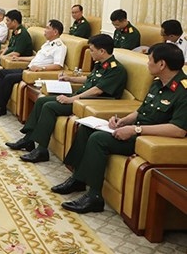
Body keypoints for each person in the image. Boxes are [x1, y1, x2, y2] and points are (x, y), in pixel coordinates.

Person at [52, 43, 187, 214]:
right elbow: (141, 111)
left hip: (147, 137)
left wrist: (136, 131)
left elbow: (178, 130)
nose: (147, 63)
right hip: (137, 129)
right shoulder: (157, 83)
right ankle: (78, 179)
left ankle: (94, 197)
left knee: (98, 139)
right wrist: (122, 121)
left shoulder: (183, 91)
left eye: (150, 60)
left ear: (161, 64)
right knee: (87, 128)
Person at [6, 34, 127, 163]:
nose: (90, 53)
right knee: (42, 100)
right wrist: (70, 79)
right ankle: (28, 139)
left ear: (102, 51)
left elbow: (98, 90)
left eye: (92, 50)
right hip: (82, 97)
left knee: (49, 107)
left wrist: (72, 99)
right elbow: (91, 79)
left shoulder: (116, 69)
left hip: (93, 102)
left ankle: (41, 150)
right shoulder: (101, 64)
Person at [0, 20, 67, 117]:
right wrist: (19, 58)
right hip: (28, 69)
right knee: (2, 73)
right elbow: (35, 58)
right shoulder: (47, 44)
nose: (45, 30)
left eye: (48, 28)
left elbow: (58, 65)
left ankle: (1, 108)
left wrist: (41, 68)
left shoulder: (59, 47)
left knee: (8, 78)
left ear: (55, 32)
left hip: (35, 73)